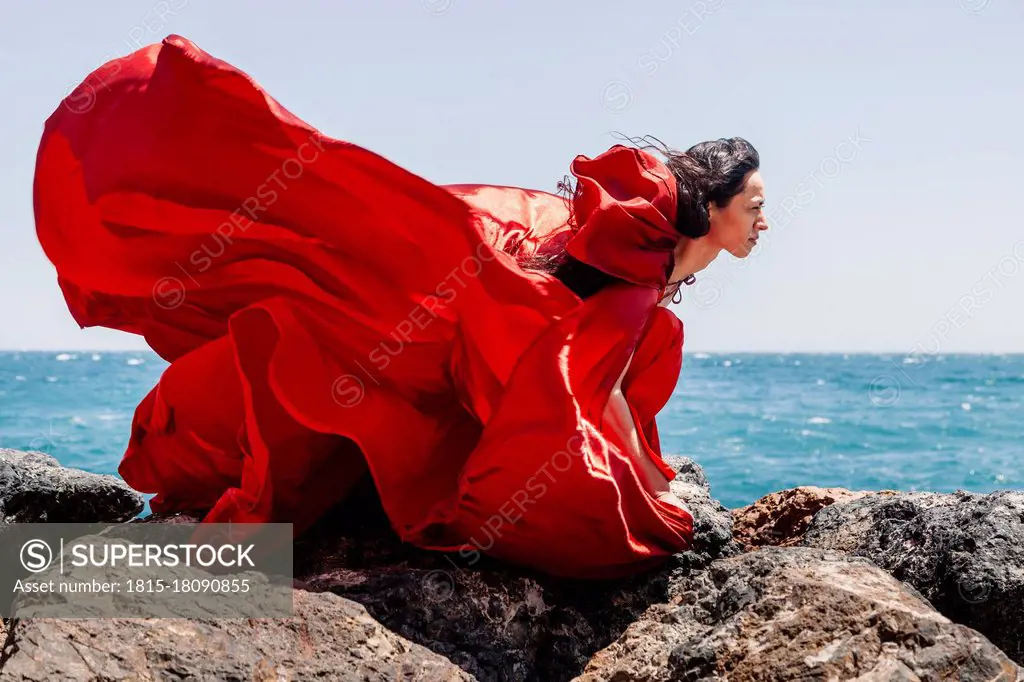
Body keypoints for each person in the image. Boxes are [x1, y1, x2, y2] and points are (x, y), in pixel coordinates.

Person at [33, 35, 767, 579]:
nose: (766, 223)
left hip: (373, 361)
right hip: (341, 362)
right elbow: (583, 388)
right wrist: (654, 496)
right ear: (718, 208)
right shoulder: (633, 265)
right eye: (756, 206)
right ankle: (69, 574)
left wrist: (647, 472)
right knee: (252, 488)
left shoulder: (631, 256)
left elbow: (580, 374)